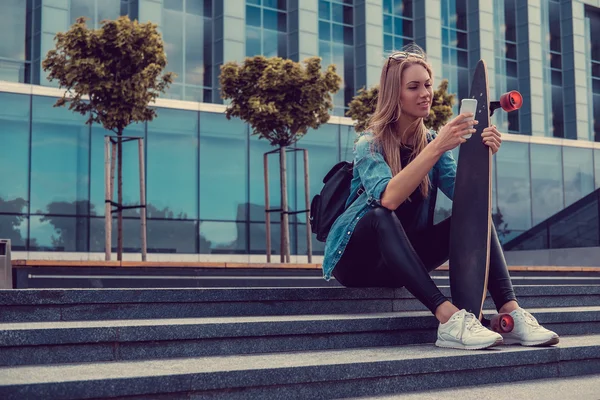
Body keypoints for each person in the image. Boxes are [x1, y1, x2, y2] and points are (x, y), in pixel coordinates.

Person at [322, 45, 559, 350]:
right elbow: (389, 199)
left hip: (402, 263)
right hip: (357, 262)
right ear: (396, 94)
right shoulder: (370, 144)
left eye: (428, 85)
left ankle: (510, 314)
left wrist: (482, 155)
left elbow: (469, 199)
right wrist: (437, 148)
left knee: (475, 216)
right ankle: (448, 319)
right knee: (381, 215)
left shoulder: (432, 141)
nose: (425, 93)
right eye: (414, 87)